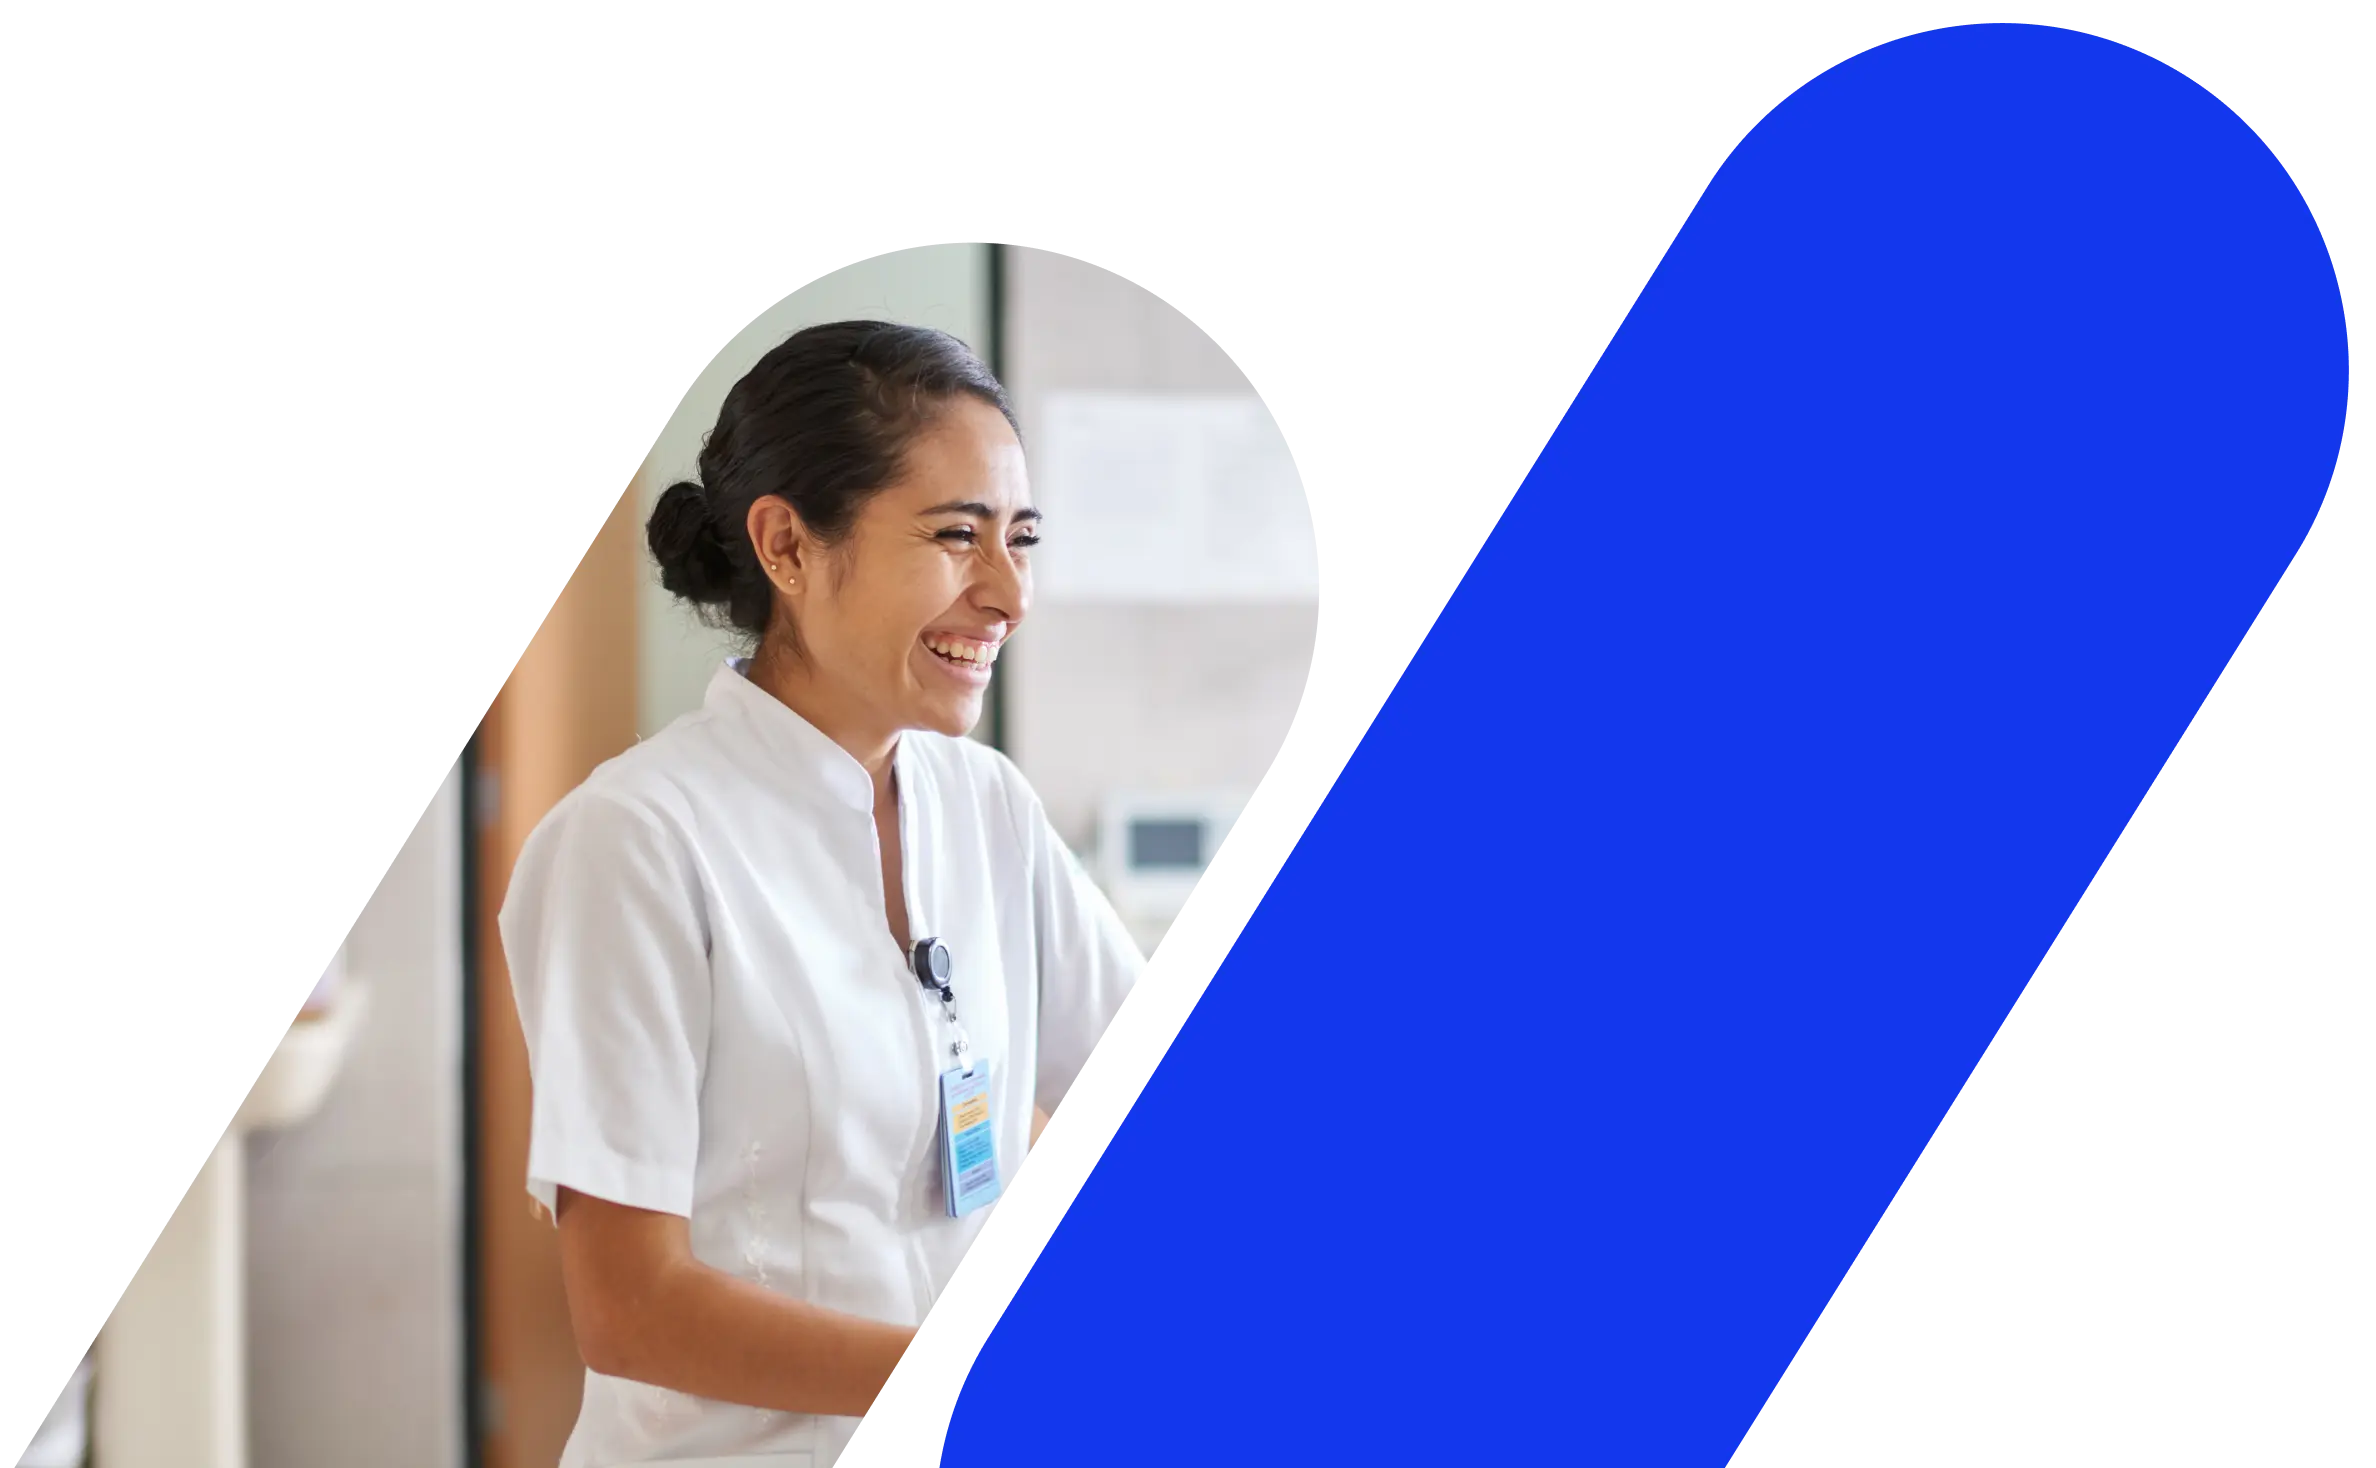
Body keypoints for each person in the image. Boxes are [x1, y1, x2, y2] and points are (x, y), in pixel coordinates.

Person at [500, 321, 1146, 1467]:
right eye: (957, 536)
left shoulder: (986, 804)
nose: (1007, 593)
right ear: (788, 546)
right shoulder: (636, 840)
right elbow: (630, 1308)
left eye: (1021, 539)